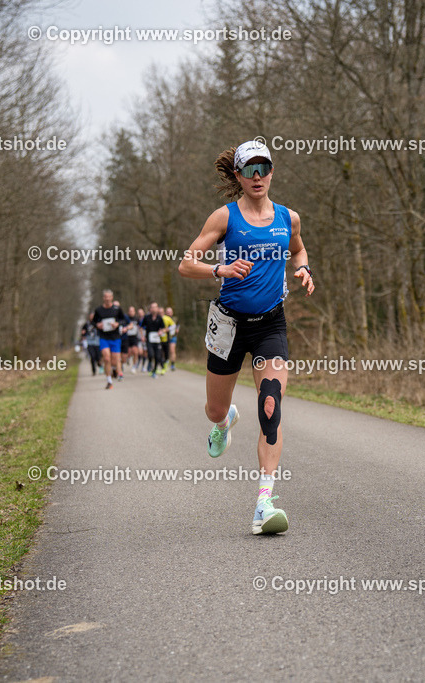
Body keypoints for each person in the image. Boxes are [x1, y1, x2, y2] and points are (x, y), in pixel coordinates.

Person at [178, 139, 314, 535]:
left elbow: (299, 250)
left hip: (271, 324)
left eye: (263, 168)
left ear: (272, 171)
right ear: (237, 175)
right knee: (214, 409)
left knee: (271, 404)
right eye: (250, 170)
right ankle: (224, 422)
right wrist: (218, 270)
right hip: (229, 324)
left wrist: (303, 268)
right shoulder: (224, 218)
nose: (258, 177)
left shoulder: (289, 218)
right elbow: (186, 264)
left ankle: (264, 504)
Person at [90, 290, 128, 389]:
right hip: (104, 337)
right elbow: (93, 322)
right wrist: (97, 325)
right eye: (105, 297)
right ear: (103, 298)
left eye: (109, 297)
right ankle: (109, 381)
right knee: (107, 358)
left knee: (115, 361)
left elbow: (124, 320)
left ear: (112, 297)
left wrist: (117, 324)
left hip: (115, 337)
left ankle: (115, 370)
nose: (107, 299)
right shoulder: (99, 310)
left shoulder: (117, 309)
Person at [141, 302, 168, 378]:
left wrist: (161, 331)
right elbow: (141, 327)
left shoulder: (159, 318)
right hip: (149, 339)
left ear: (157, 308)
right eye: (152, 307)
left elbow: (164, 328)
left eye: (155, 307)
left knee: (158, 356)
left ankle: (154, 370)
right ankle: (150, 364)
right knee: (150, 354)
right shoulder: (147, 317)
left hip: (157, 339)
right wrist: (142, 336)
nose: (154, 309)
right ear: (150, 309)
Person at [121, 305, 140, 373]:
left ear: (134, 312)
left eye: (132, 311)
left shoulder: (137, 319)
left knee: (135, 352)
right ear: (128, 312)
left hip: (134, 337)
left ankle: (134, 366)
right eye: (130, 311)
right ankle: (123, 362)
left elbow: (140, 327)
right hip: (127, 337)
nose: (131, 312)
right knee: (127, 353)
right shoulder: (126, 318)